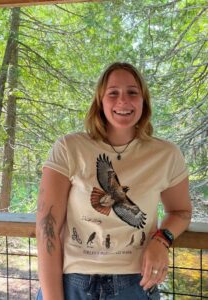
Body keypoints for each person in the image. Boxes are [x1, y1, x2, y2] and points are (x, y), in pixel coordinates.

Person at [36, 62, 192, 300]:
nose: (123, 101)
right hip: (72, 283)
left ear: (144, 101)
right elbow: (46, 229)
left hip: (135, 283)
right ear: (100, 101)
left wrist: (162, 240)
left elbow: (181, 211)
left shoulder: (167, 154)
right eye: (113, 93)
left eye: (132, 92)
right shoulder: (69, 147)